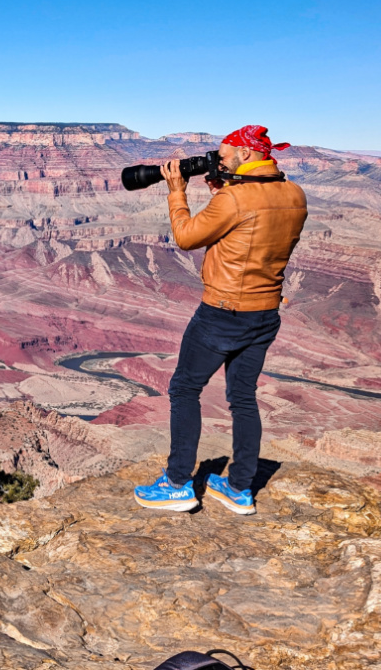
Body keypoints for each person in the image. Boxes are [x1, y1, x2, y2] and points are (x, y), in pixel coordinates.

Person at [134, 125, 308, 515]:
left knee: (184, 389)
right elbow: (254, 229)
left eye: (225, 154)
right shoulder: (295, 194)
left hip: (222, 313)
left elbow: (186, 236)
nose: (219, 160)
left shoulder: (235, 199)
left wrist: (177, 191)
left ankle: (178, 483)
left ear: (246, 155)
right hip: (265, 314)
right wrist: (222, 192)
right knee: (242, 397)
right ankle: (239, 488)